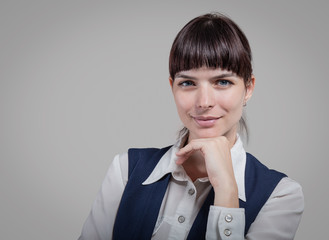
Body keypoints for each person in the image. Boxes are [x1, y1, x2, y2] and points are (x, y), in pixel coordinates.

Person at [78, 13, 304, 240]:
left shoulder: (281, 195)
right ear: (172, 87)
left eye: (222, 82)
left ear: (248, 88)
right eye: (187, 83)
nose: (204, 102)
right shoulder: (126, 170)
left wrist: (227, 189)